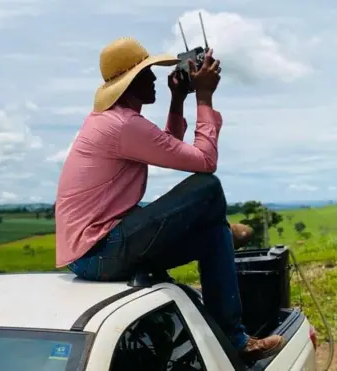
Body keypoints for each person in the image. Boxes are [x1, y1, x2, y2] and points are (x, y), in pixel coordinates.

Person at [54, 37, 286, 362]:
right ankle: (222, 234)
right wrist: (204, 97)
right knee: (207, 187)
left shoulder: (118, 121)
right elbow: (204, 162)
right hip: (101, 251)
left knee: (213, 235)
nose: (154, 79)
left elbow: (167, 146)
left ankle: (235, 339)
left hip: (97, 251)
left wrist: (178, 99)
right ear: (131, 81)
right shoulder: (122, 125)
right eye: (146, 73)